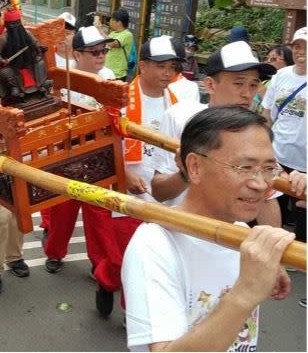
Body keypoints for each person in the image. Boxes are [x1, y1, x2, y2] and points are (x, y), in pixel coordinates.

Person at [121, 105, 294, 351]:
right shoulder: (154, 244)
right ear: (195, 167)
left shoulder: (242, 231)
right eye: (244, 167)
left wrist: (269, 264)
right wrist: (245, 293)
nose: (260, 184)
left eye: (268, 168)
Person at [93, 35, 183, 317]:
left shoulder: (180, 102)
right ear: (142, 66)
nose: (167, 73)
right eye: (160, 66)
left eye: (172, 66)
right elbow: (103, 145)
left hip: (166, 197)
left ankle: (135, 319)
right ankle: (106, 278)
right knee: (123, 262)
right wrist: (125, 173)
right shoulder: (118, 99)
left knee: (150, 265)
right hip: (128, 195)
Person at [151, 41, 277, 208]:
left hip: (229, 229)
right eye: (238, 83)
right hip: (180, 225)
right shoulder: (180, 117)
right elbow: (159, 192)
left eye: (253, 85)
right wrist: (186, 173)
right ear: (210, 85)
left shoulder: (256, 133)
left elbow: (267, 199)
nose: (247, 94)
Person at [43, 26, 116, 275]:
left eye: (103, 50)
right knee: (63, 208)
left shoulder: (110, 78)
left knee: (99, 214)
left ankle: (100, 262)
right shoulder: (63, 81)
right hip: (69, 153)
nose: (100, 56)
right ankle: (54, 252)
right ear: (77, 54)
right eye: (94, 52)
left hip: (99, 156)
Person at [263, 27, 307, 241]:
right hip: (277, 154)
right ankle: (275, 249)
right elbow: (267, 115)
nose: (301, 52)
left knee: (302, 212)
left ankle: (300, 257)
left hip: (304, 160)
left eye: (306, 47)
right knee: (272, 205)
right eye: (297, 47)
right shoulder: (281, 76)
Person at [104, 9, 134, 81]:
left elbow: (112, 44)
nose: (111, 22)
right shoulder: (113, 33)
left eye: (112, 20)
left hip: (118, 74)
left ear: (119, 22)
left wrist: (99, 29)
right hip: (107, 72)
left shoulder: (127, 35)